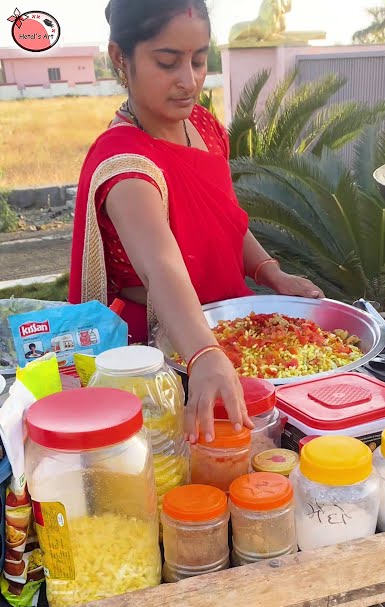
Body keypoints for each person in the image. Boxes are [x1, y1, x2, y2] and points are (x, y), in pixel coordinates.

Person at [68, 0, 323, 442]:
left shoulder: (202, 127)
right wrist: (204, 353)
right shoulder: (126, 164)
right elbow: (162, 264)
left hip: (232, 332)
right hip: (161, 354)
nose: (189, 81)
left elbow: (224, 223)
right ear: (120, 59)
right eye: (168, 62)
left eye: (200, 60)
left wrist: (272, 272)